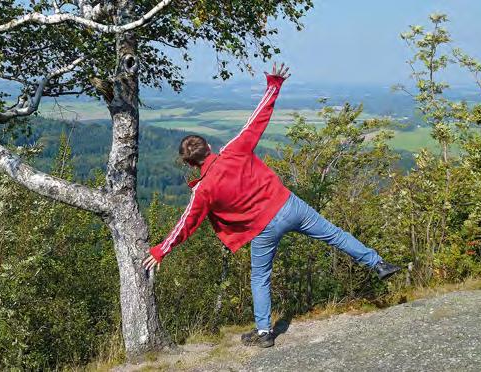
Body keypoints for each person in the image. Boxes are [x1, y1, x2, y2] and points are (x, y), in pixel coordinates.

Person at [143, 63, 401, 348]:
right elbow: (257, 119)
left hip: (263, 229)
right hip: (290, 206)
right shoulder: (234, 150)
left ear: (190, 164)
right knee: (336, 235)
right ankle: (378, 264)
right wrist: (274, 84)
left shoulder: (203, 190)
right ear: (208, 147)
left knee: (260, 278)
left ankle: (265, 333)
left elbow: (186, 224)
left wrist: (161, 250)